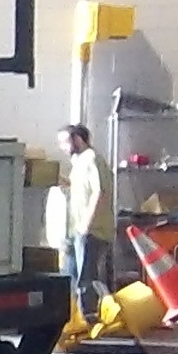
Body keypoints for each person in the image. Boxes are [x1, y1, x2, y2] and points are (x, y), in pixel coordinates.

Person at [56, 124, 110, 313]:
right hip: (74, 229)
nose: (62, 147)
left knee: (85, 279)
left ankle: (89, 317)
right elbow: (77, 188)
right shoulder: (78, 162)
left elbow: (99, 191)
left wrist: (87, 224)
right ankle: (72, 318)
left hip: (90, 230)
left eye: (65, 142)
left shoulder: (93, 159)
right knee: (70, 276)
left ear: (78, 139)